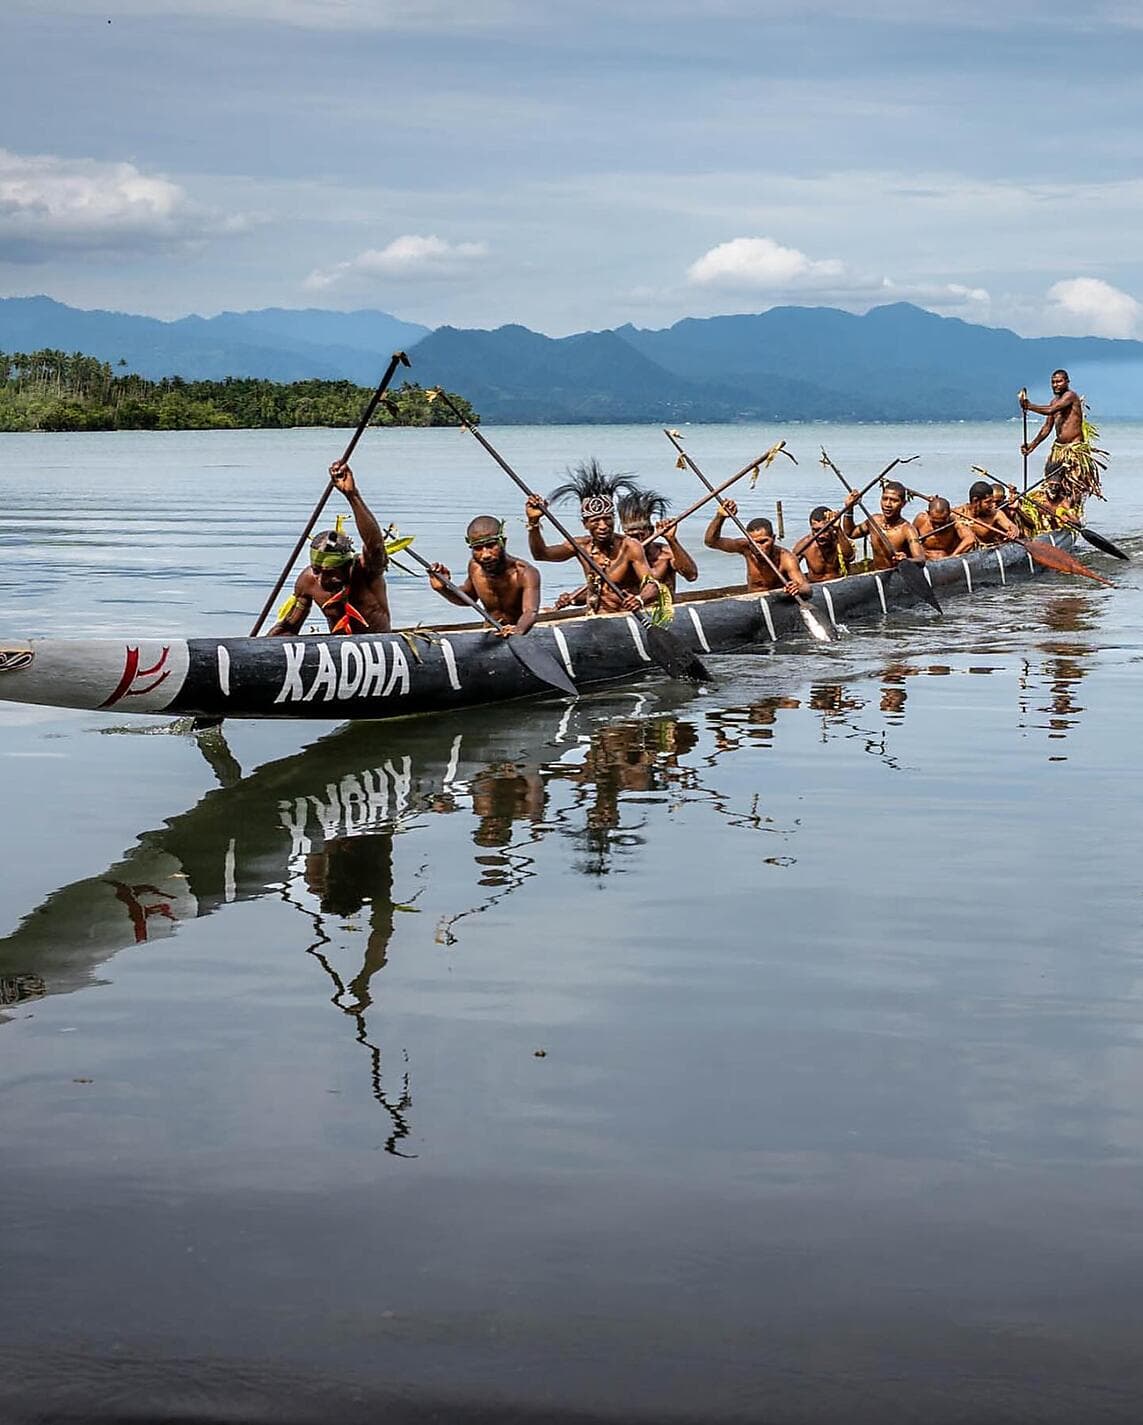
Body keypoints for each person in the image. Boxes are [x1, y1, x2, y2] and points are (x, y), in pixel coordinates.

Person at [268, 461, 391, 636]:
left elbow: (376, 547)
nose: (322, 579)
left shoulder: (365, 572)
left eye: (330, 572)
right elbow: (290, 627)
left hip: (379, 649)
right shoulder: (308, 580)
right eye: (317, 570)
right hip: (339, 652)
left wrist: (352, 495)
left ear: (345, 565)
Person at [525, 460, 655, 614]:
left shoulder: (629, 547)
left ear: (614, 519)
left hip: (625, 616)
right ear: (585, 524)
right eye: (595, 521)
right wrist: (533, 522)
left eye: (607, 519)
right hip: (594, 617)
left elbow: (652, 586)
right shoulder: (580, 546)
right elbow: (541, 554)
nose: (602, 526)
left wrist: (639, 599)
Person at [427, 516, 542, 636]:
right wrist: (443, 588)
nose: (485, 554)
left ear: (503, 542)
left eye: (491, 545)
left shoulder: (525, 573)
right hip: (489, 631)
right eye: (478, 548)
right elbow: (468, 599)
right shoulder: (475, 567)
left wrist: (517, 631)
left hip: (518, 630)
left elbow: (530, 611)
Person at [1020, 370, 1104, 501]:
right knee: (1052, 482)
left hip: (1074, 449)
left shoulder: (1070, 396)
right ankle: (1053, 508)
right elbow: (1047, 427)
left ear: (1067, 382)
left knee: (1073, 484)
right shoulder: (1054, 401)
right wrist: (1032, 446)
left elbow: (1050, 410)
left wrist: (1030, 406)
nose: (1055, 385)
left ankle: (1071, 510)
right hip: (1059, 449)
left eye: (1059, 381)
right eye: (1053, 382)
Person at [703, 500, 810, 596]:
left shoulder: (785, 558)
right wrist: (720, 517)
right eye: (753, 543)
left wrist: (797, 588)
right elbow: (711, 542)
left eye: (763, 542)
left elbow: (806, 588)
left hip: (778, 602)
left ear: (773, 538)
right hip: (753, 600)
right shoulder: (745, 547)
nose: (758, 547)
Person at [618, 489, 698, 594]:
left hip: (664, 609)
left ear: (651, 531)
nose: (637, 540)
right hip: (632, 608)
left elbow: (691, 575)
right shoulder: (619, 557)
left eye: (640, 535)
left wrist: (671, 540)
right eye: (631, 536)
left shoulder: (666, 554)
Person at [840, 481, 926, 570]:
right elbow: (851, 533)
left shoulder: (907, 530)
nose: (888, 504)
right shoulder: (874, 521)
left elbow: (921, 560)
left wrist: (906, 560)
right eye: (885, 499)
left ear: (903, 504)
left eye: (894, 500)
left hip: (898, 576)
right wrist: (849, 508)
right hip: (878, 573)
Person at [792, 505, 855, 582]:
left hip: (839, 583)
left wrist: (838, 529)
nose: (820, 535)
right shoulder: (805, 545)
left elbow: (850, 557)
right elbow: (790, 568)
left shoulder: (839, 540)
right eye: (816, 530)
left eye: (825, 530)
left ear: (831, 527)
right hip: (815, 586)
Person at [953, 479, 1021, 547]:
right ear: (975, 501)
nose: (992, 505)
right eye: (988, 502)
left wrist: (1013, 532)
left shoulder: (995, 514)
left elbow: (1012, 527)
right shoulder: (959, 513)